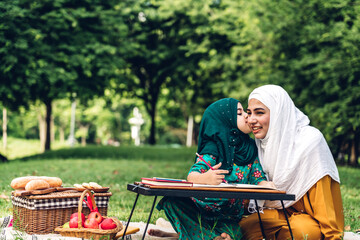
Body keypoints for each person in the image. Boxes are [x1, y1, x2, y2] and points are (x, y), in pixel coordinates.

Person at [148, 98, 273, 240]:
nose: (246, 115)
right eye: (239, 113)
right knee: (171, 202)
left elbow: (257, 176)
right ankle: (212, 238)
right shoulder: (214, 148)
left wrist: (264, 184)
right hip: (199, 210)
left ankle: (183, 235)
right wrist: (206, 178)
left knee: (237, 233)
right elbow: (192, 175)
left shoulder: (249, 148)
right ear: (226, 121)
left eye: (245, 111)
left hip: (227, 217)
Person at [240, 85, 344, 240]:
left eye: (259, 112)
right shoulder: (258, 144)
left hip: (310, 218)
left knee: (302, 232)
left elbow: (324, 201)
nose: (251, 120)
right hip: (275, 212)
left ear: (278, 113)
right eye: (249, 113)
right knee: (246, 226)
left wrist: (332, 237)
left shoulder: (309, 142)